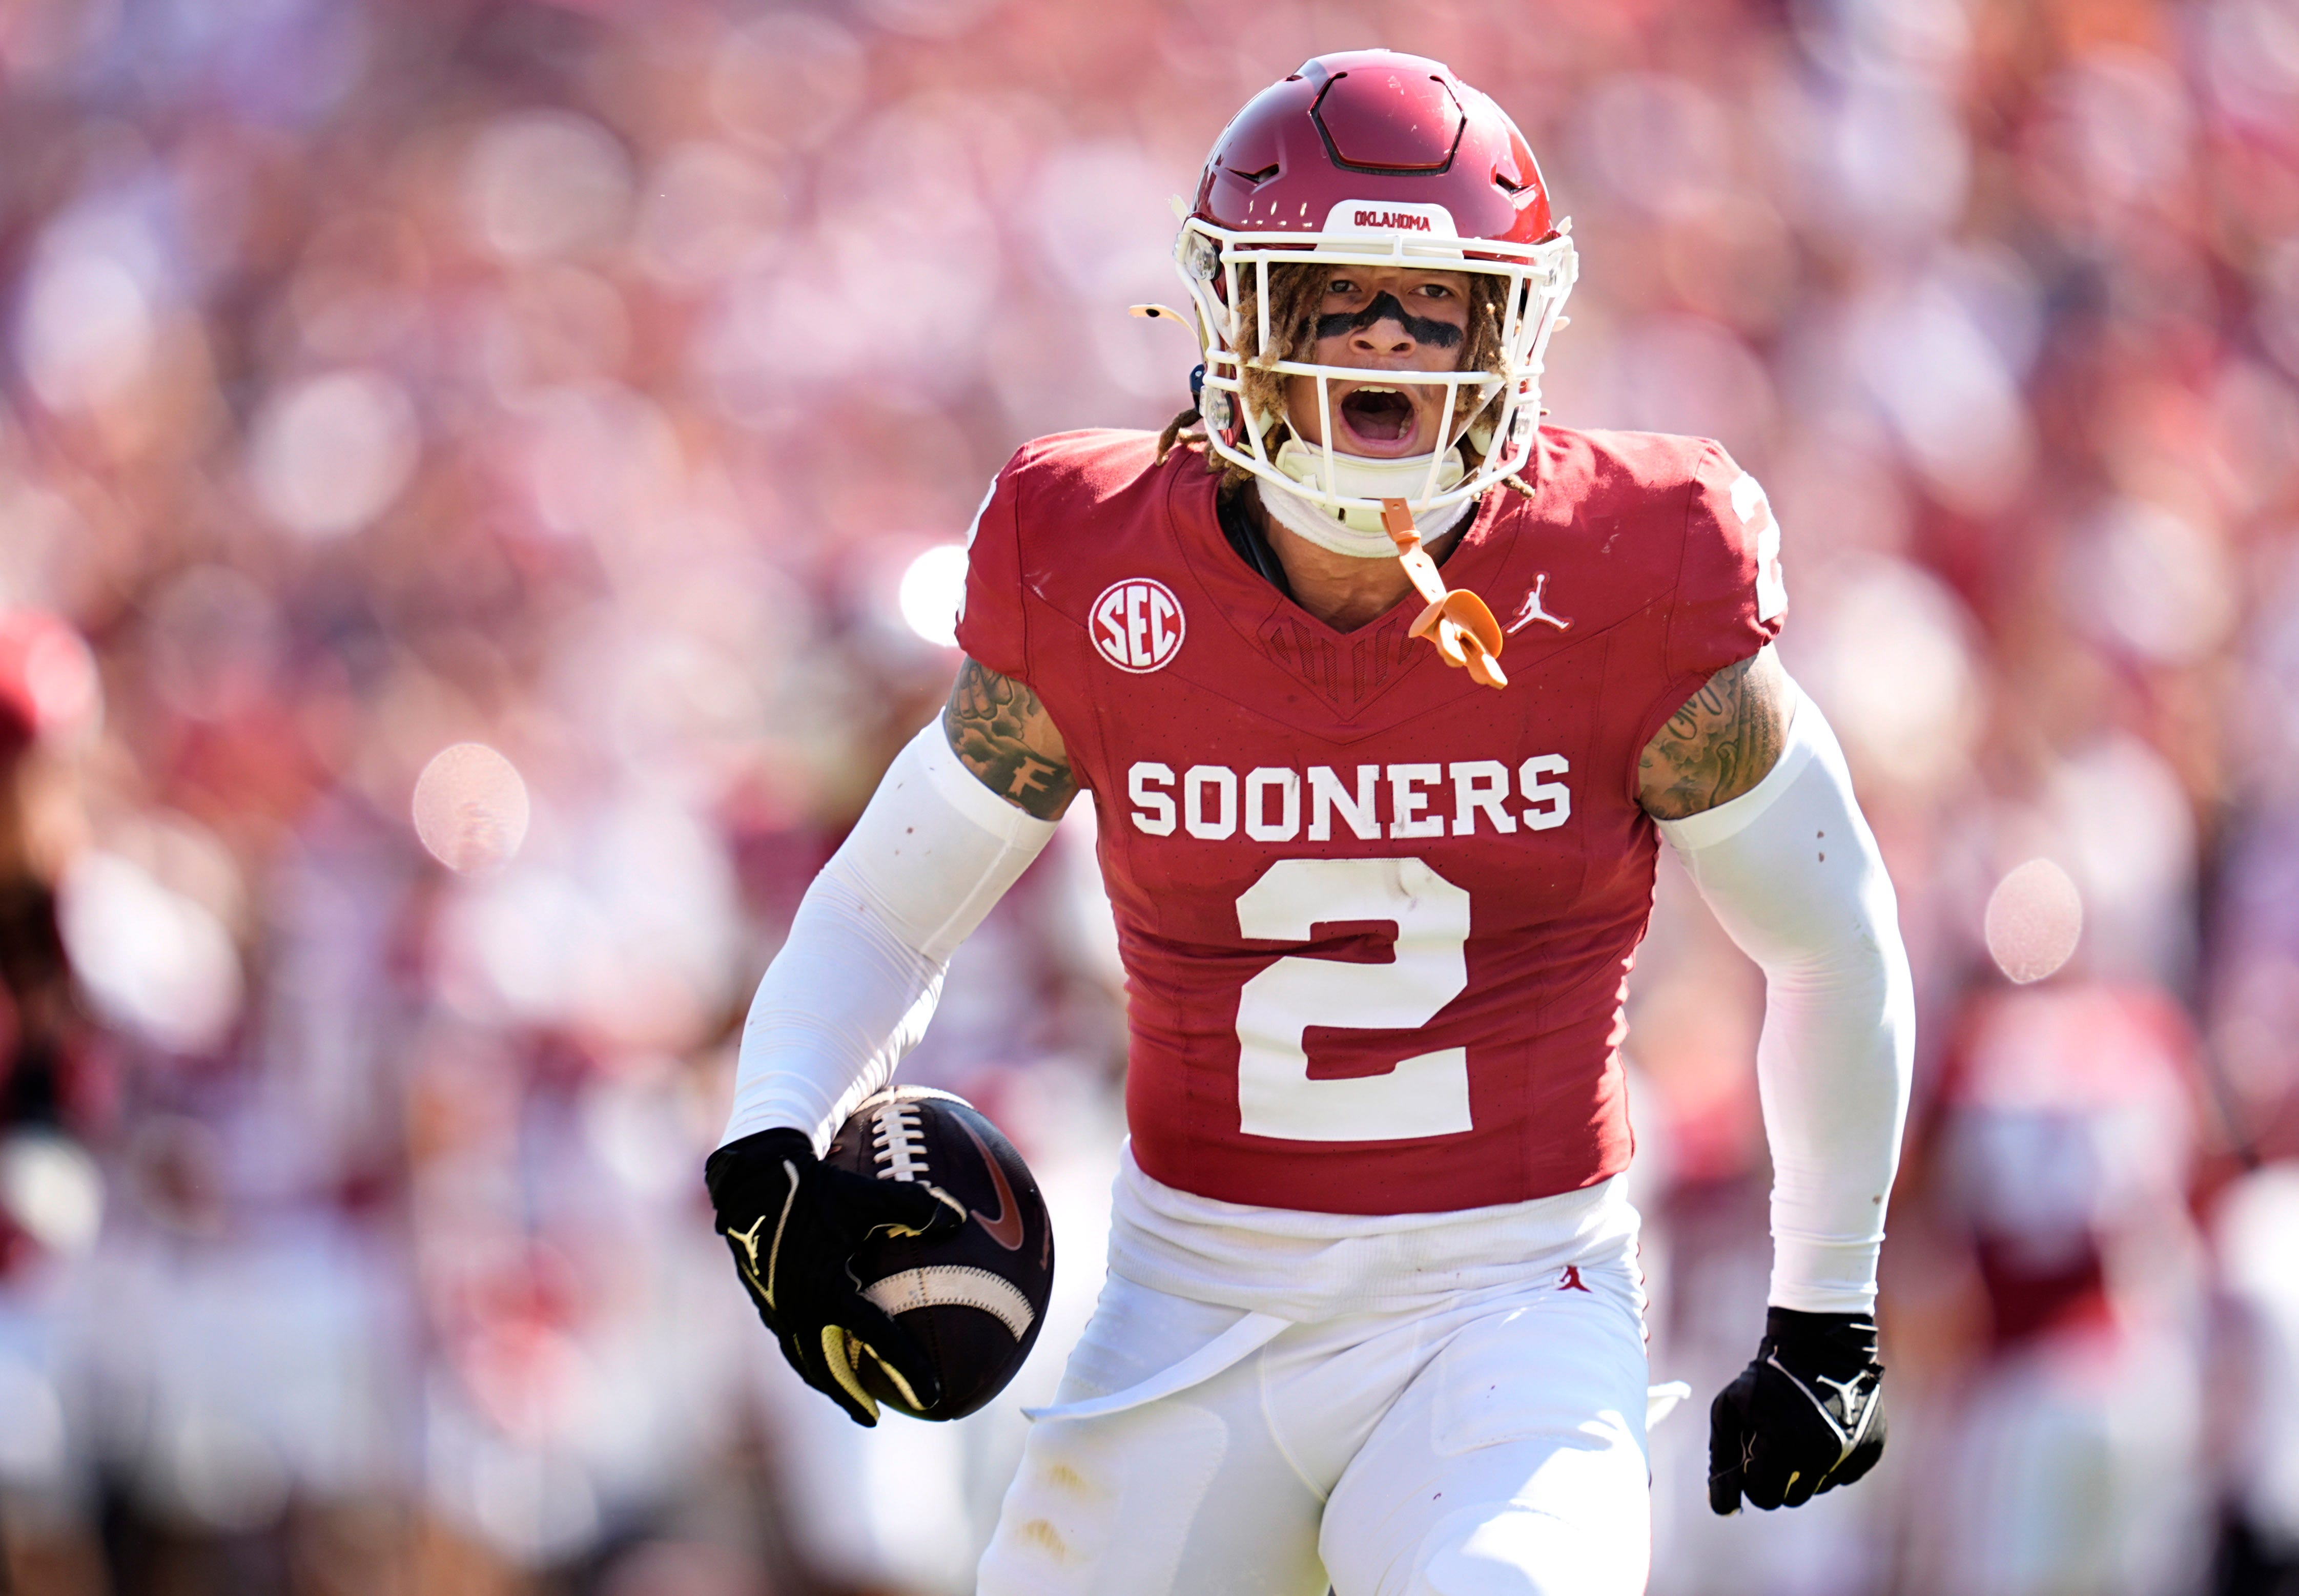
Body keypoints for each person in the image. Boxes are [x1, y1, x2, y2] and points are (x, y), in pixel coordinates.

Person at [704, 50, 1914, 1595]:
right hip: (1190, 1295)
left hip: (1512, 1295)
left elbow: (1829, 929)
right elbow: (886, 905)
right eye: (1337, 299)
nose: (1388, 350)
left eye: (1436, 308)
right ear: (1234, 318)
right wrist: (768, 1142)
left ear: (1517, 326)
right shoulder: (1093, 557)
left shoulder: (1632, 568)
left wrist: (1829, 1301)